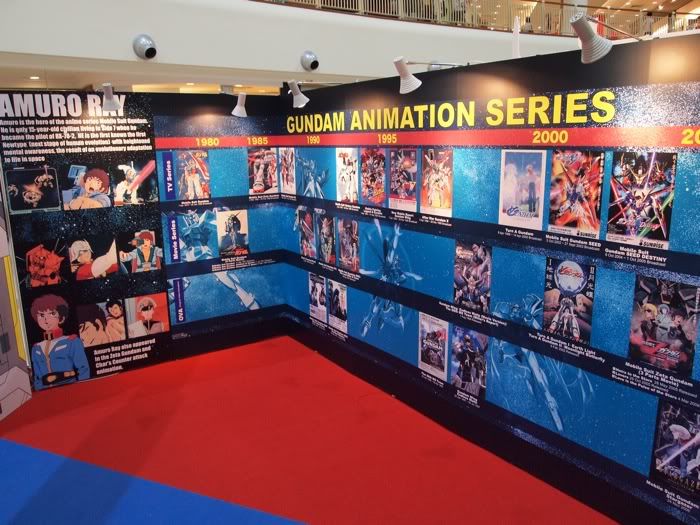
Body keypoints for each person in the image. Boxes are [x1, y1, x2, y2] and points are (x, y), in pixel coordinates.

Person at [29, 294, 90, 390]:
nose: (46, 320)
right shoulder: (36, 348)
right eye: (41, 315)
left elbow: (83, 370)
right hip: (46, 393)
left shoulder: (72, 341)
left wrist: (82, 389)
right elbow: (37, 377)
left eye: (52, 314)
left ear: (61, 318)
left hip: (70, 390)